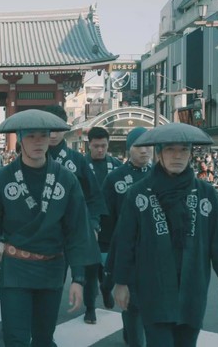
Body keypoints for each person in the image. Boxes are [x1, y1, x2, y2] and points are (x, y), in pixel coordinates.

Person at [112, 123, 218, 347]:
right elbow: (125, 241)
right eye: (170, 150)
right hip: (152, 287)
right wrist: (121, 282)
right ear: (160, 154)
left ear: (190, 154)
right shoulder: (138, 193)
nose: (177, 156)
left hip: (192, 288)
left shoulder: (206, 193)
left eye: (183, 150)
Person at [0, 109, 100, 346]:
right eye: (31, 136)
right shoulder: (0, 179)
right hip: (16, 269)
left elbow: (77, 230)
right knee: (15, 338)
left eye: (43, 136)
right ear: (20, 139)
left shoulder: (66, 178)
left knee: (43, 338)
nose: (38, 142)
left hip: (52, 268)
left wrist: (78, 278)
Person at [42, 104, 106, 325]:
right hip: (49, 230)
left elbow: (94, 196)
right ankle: (42, 315)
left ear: (64, 129)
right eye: (47, 129)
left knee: (87, 271)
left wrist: (94, 224)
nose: (52, 134)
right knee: (52, 275)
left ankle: (90, 307)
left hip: (79, 227)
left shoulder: (77, 161)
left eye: (56, 129)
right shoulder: (34, 159)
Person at [98, 127, 151, 347]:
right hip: (121, 246)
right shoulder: (115, 177)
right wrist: (105, 244)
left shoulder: (160, 174)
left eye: (148, 146)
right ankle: (106, 285)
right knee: (126, 294)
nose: (144, 151)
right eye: (139, 146)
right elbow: (105, 213)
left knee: (143, 300)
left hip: (151, 249)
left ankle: (134, 337)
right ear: (129, 148)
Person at [83, 126, 123, 324]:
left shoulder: (116, 166)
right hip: (88, 223)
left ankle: (106, 288)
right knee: (90, 267)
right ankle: (90, 307)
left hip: (111, 224)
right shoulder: (81, 165)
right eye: (96, 146)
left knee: (110, 266)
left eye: (103, 146)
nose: (100, 149)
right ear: (88, 144)